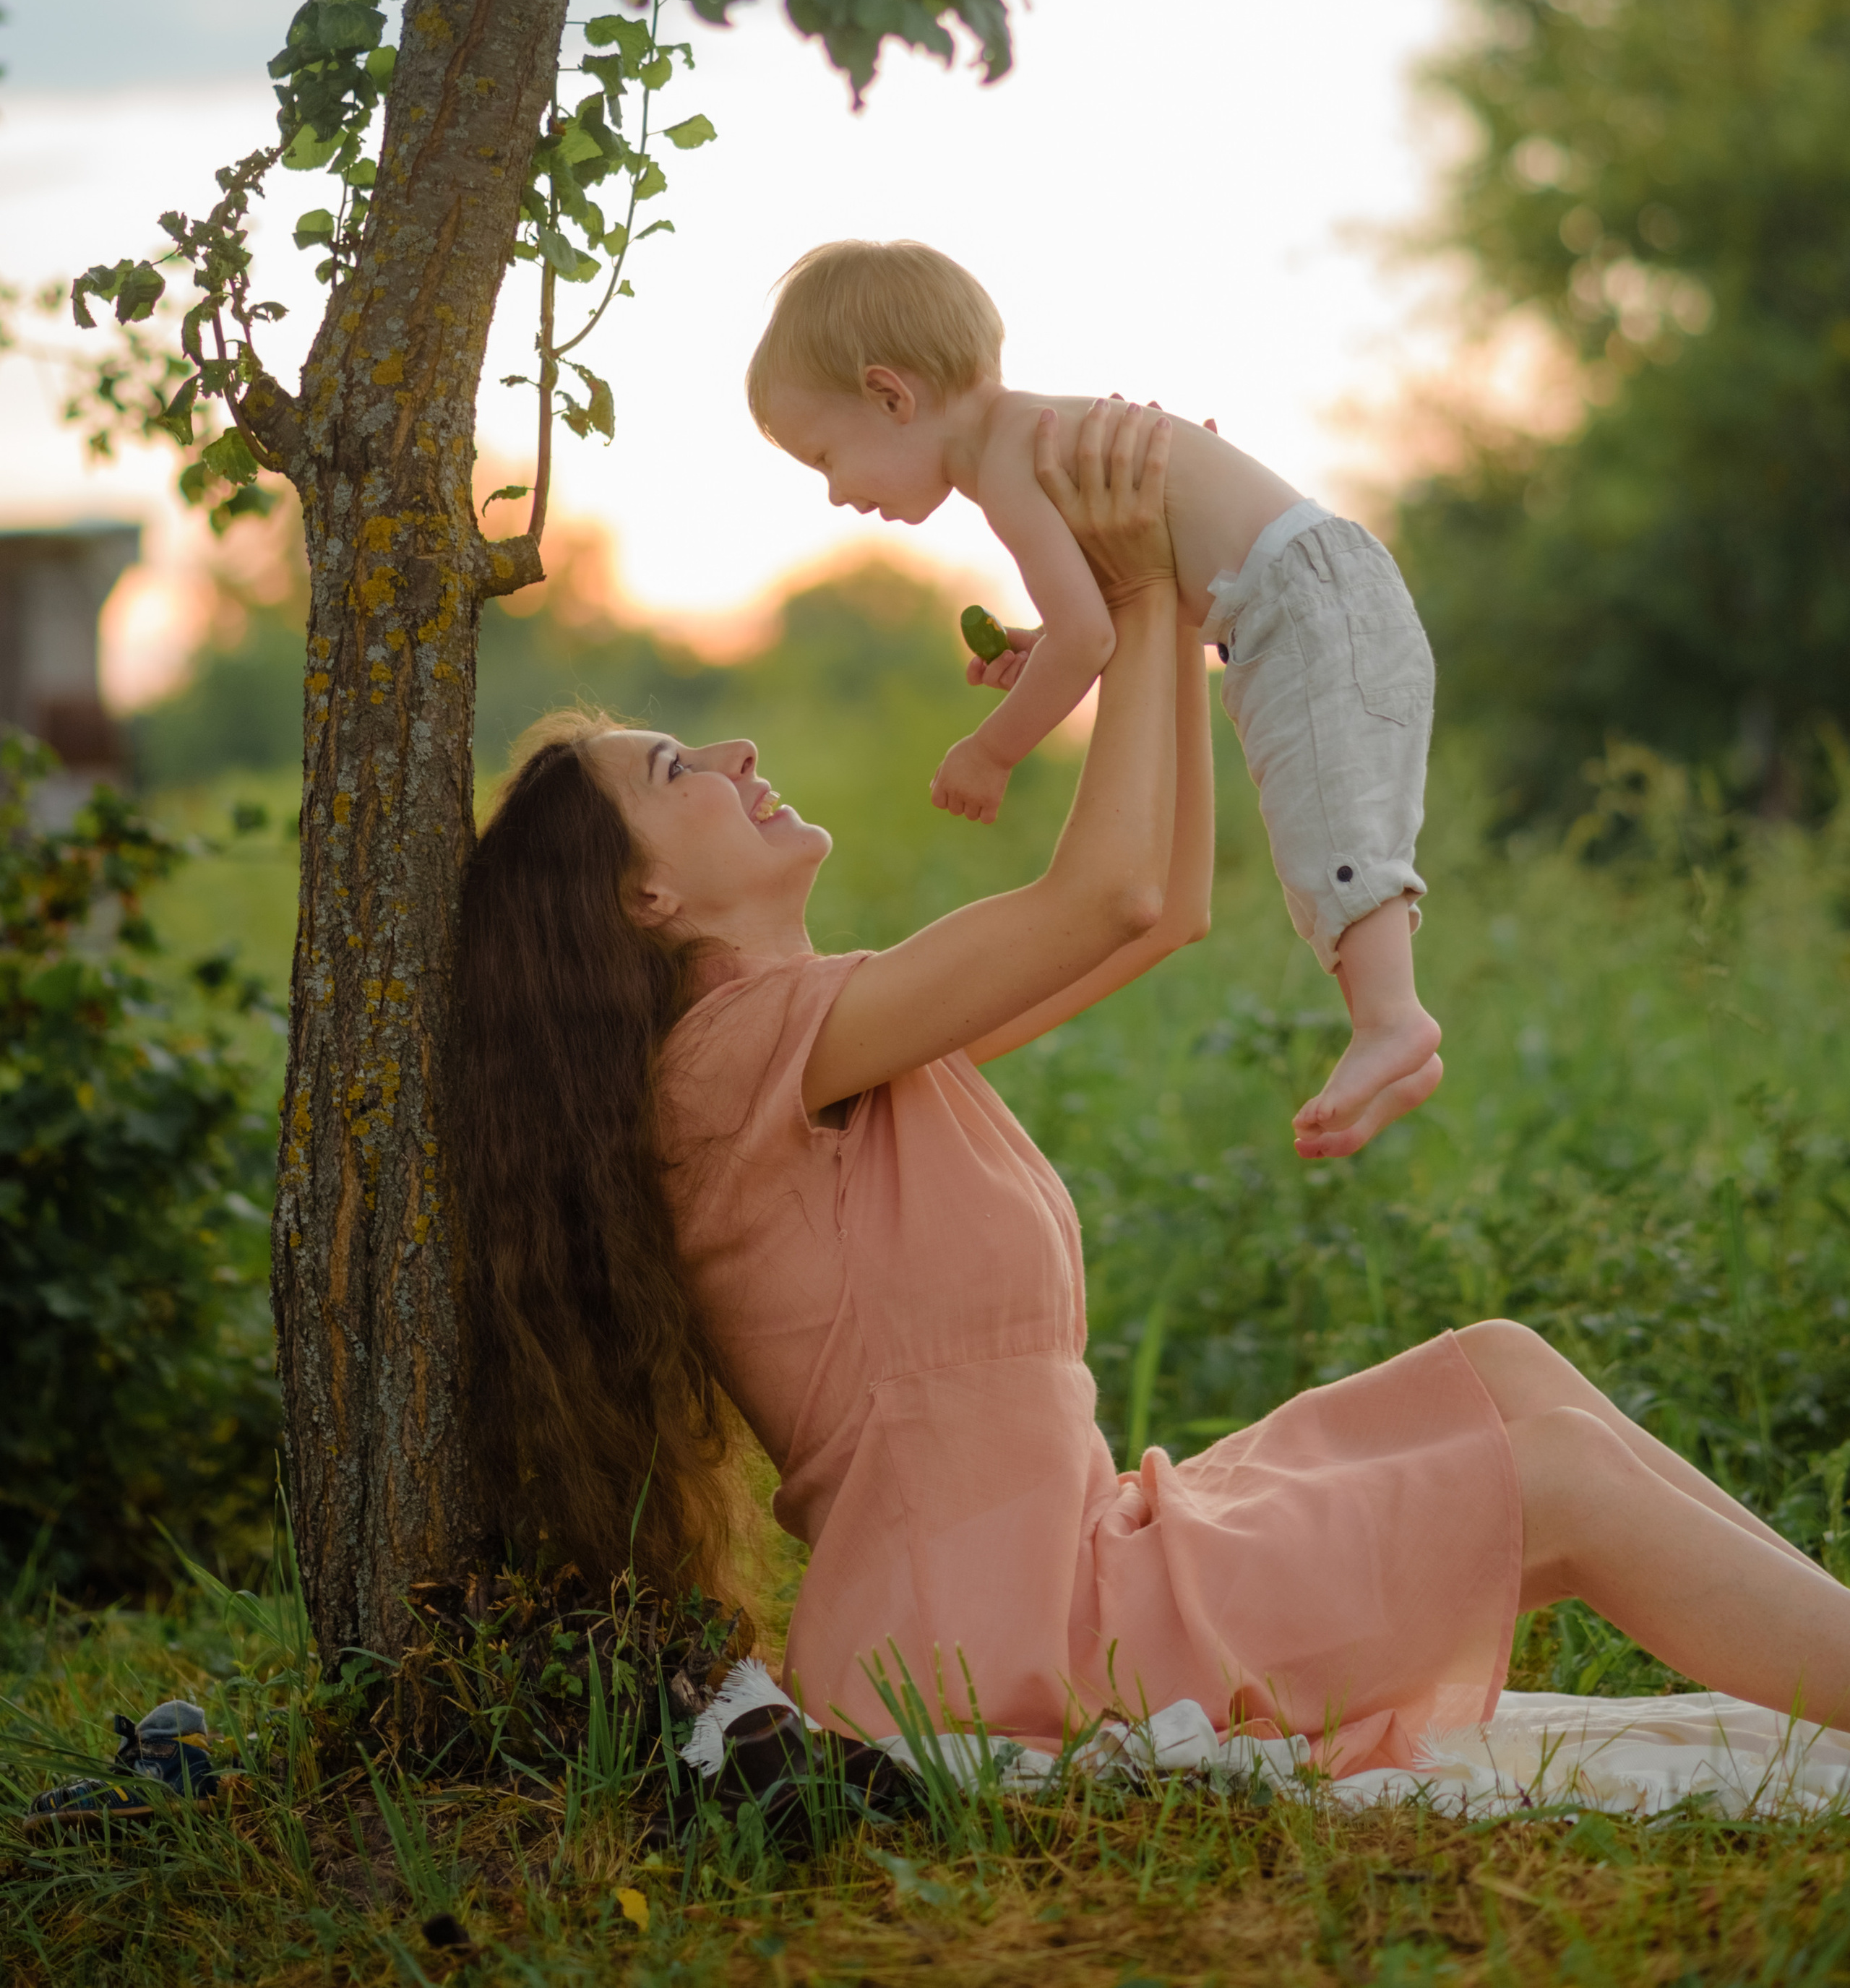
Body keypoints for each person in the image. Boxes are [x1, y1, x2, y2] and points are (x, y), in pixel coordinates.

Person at [450, 401, 1850, 1776]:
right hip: (1001, 1639)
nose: (738, 754)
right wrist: (1122, 594)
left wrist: (1163, 604)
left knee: (1500, 1367)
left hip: (1066, 1562)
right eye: (678, 768)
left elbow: (1162, 908)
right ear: (644, 897)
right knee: (1554, 1480)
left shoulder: (828, 1041)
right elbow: (1107, 891)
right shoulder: (725, 1061)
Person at [746, 236, 1436, 1161]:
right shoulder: (1031, 437)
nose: (835, 493)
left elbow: (1092, 639)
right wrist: (1049, 648)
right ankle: (1390, 1035)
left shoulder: (1007, 462)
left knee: (1333, 819)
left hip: (1305, 606)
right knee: (1322, 818)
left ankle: (1391, 1020)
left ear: (890, 396)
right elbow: (1096, 619)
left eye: (826, 457)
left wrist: (991, 750)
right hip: (1304, 601)